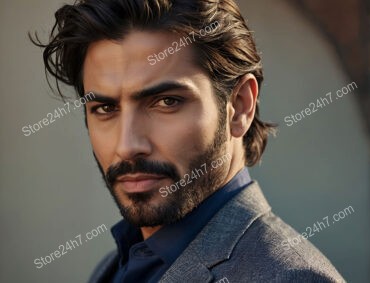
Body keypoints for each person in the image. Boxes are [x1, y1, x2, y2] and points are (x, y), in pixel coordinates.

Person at [32, 0, 345, 282]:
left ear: (240, 106)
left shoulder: (290, 277)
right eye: (105, 108)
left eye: (167, 102)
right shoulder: (115, 267)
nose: (126, 146)